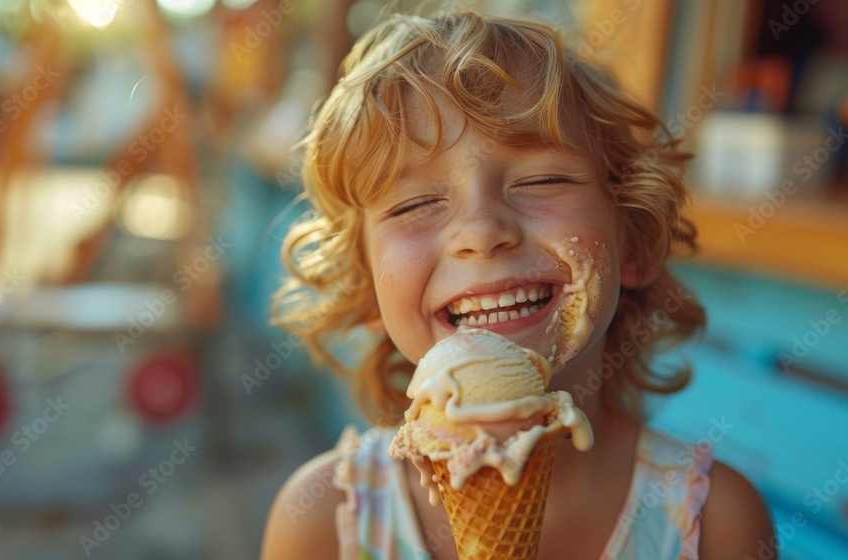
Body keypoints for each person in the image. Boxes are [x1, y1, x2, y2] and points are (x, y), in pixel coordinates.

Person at [262, 9, 774, 560]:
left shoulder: (717, 524)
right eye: (414, 204)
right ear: (365, 289)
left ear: (634, 240)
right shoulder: (322, 523)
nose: (481, 232)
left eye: (543, 179)